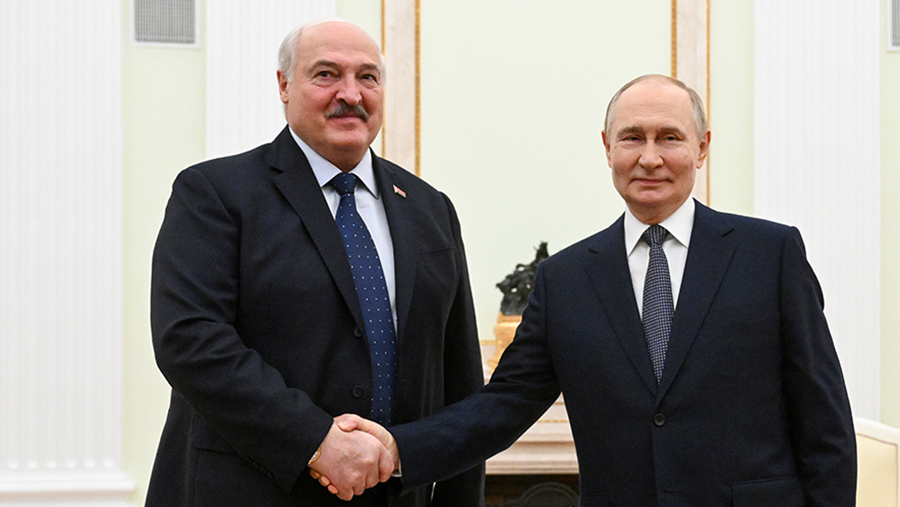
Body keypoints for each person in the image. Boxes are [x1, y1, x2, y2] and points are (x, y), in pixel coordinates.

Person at [325, 74, 858, 506]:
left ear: (702, 147)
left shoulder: (770, 255)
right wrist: (397, 447)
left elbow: (824, 423)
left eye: (669, 137)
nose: (650, 157)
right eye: (632, 137)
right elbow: (504, 405)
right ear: (607, 147)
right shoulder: (566, 279)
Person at [146, 19, 485, 507]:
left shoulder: (430, 209)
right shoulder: (216, 194)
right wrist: (316, 442)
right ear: (284, 86)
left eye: (367, 77)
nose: (351, 94)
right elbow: (190, 340)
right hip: (251, 491)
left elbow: (460, 377)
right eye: (326, 74)